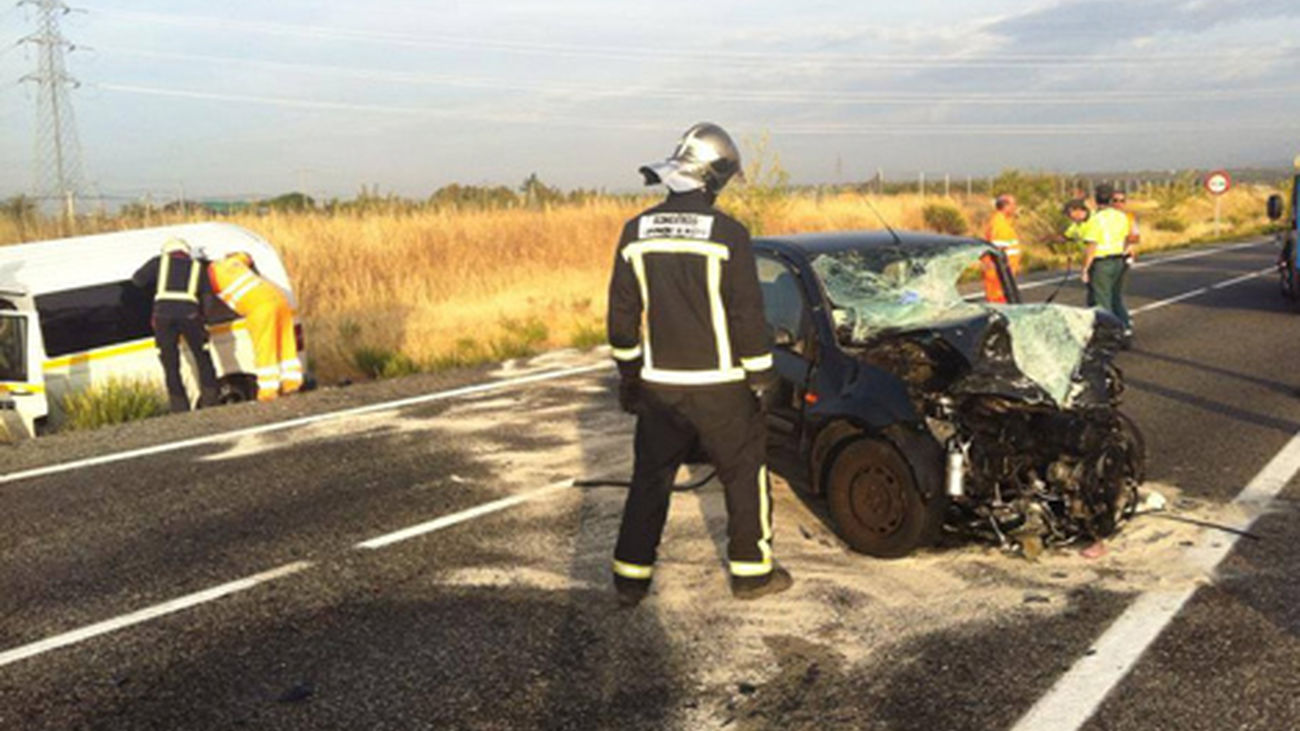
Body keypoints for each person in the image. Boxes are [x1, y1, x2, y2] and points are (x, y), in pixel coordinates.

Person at [606, 122, 789, 605]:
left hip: (660, 386)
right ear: (713, 179)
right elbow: (748, 315)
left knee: (650, 479)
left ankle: (630, 578)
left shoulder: (636, 232)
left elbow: (622, 322)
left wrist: (630, 376)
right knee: (744, 474)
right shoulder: (729, 234)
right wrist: (763, 376)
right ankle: (752, 574)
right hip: (723, 386)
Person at [131, 237, 219, 412]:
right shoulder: (197, 267)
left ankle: (179, 405)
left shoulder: (158, 262)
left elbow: (137, 280)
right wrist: (204, 320)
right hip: (190, 315)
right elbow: (208, 297)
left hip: (163, 316)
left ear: (167, 251)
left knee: (170, 362)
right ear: (186, 252)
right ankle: (211, 399)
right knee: (202, 356)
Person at [208, 251, 303, 400]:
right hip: (279, 300)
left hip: (259, 308)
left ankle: (268, 391)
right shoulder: (234, 262)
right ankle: (292, 383)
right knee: (286, 342)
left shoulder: (212, 277)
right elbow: (246, 256)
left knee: (264, 347)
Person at [1080, 183, 1135, 345]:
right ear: (1111, 199)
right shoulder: (1121, 216)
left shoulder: (1096, 219)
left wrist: (1085, 268)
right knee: (1116, 296)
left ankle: (1108, 334)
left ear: (1096, 200)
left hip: (1102, 262)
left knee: (1101, 299)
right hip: (1119, 260)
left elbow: (1092, 245)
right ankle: (1125, 328)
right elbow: (1128, 238)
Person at [981, 194, 1021, 303]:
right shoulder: (1000, 225)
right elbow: (997, 251)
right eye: (1014, 205)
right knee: (1000, 304)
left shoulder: (1003, 222)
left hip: (1004, 273)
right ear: (1006, 206)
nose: (1015, 208)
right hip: (999, 275)